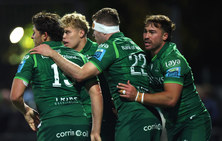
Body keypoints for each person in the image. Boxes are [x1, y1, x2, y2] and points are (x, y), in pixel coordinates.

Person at [30, 8, 162, 141]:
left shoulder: (107, 47)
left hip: (130, 117)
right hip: (151, 115)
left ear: (101, 31)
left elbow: (81, 74)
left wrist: (53, 54)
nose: (94, 35)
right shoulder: (133, 44)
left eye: (94, 31)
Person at [10, 11, 103, 141]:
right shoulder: (79, 56)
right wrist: (95, 131)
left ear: (44, 36)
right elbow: (96, 93)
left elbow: (15, 96)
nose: (32, 37)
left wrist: (26, 111)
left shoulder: (33, 57)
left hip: (52, 126)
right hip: (80, 124)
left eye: (34, 32)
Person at [117, 15, 212, 141]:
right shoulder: (146, 58)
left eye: (152, 32)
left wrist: (137, 96)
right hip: (172, 124)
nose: (146, 36)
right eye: (145, 31)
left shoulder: (173, 60)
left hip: (193, 121)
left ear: (165, 36)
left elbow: (170, 99)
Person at [60, 12, 116, 141]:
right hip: (75, 119)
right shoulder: (63, 56)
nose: (63, 37)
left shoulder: (100, 50)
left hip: (104, 118)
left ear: (81, 33)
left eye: (67, 32)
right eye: (62, 33)